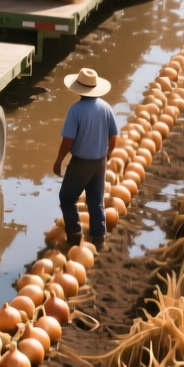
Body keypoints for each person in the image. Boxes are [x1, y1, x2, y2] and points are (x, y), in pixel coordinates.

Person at [52, 68, 120, 250]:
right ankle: (99, 239)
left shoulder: (75, 110)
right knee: (95, 201)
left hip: (81, 162)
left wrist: (59, 161)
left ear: (78, 89)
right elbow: (114, 137)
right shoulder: (106, 108)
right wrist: (109, 154)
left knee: (67, 198)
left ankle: (74, 235)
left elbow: (68, 140)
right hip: (99, 162)